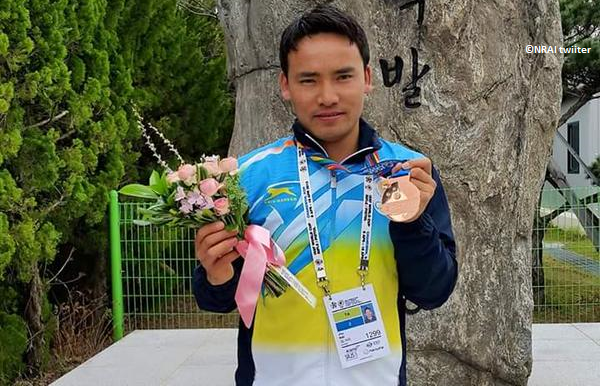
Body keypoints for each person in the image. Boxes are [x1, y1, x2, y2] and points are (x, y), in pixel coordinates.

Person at [193, 4, 458, 385]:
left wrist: (413, 223)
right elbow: (216, 299)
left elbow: (434, 291)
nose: (328, 95)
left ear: (367, 78)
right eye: (308, 80)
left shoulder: (411, 172)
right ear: (285, 85)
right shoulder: (249, 176)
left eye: (343, 76)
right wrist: (215, 275)